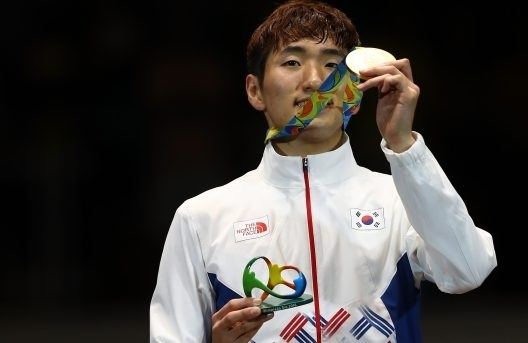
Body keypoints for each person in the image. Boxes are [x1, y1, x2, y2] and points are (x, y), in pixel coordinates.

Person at [149, 1, 497, 342]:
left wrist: (404, 144)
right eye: (292, 61)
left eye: (332, 64)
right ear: (255, 91)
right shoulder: (202, 218)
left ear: (355, 94)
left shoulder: (400, 200)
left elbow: (467, 270)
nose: (314, 80)